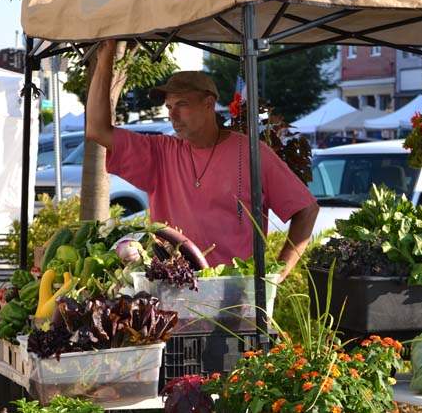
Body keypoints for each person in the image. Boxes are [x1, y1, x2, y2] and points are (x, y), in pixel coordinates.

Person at [86, 40, 319, 280]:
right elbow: (96, 129)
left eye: (182, 105)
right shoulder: (160, 152)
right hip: (173, 290)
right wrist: (106, 57)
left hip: (235, 297)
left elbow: (307, 210)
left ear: (209, 104)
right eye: (169, 106)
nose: (172, 115)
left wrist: (276, 276)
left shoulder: (250, 152)